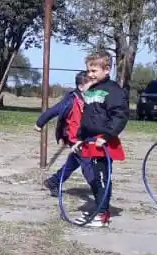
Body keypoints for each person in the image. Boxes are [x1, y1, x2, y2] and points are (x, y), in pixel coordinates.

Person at [71, 52, 130, 227]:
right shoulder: (92, 90)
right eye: (88, 70)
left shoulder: (114, 91)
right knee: (95, 177)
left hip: (104, 142)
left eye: (94, 70)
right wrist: (80, 138)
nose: (90, 74)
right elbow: (87, 118)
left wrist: (106, 136)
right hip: (90, 140)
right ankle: (99, 208)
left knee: (102, 178)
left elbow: (120, 116)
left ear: (107, 69)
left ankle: (102, 214)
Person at [37, 71, 90, 196]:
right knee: (87, 162)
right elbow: (53, 111)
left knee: (74, 161)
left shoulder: (87, 99)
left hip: (82, 137)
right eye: (91, 84)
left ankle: (53, 181)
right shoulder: (71, 100)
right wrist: (39, 123)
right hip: (73, 137)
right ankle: (99, 190)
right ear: (81, 86)